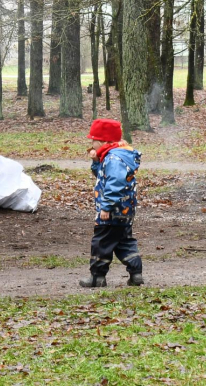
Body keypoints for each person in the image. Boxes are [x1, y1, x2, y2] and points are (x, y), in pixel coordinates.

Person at [79, 118, 144, 288]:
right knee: (124, 241)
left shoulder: (114, 159)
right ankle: (136, 273)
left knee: (101, 242)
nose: (92, 145)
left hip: (112, 209)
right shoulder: (117, 155)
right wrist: (96, 161)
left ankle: (97, 277)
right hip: (125, 209)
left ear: (103, 141)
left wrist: (106, 206)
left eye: (93, 141)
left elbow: (115, 183)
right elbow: (103, 175)